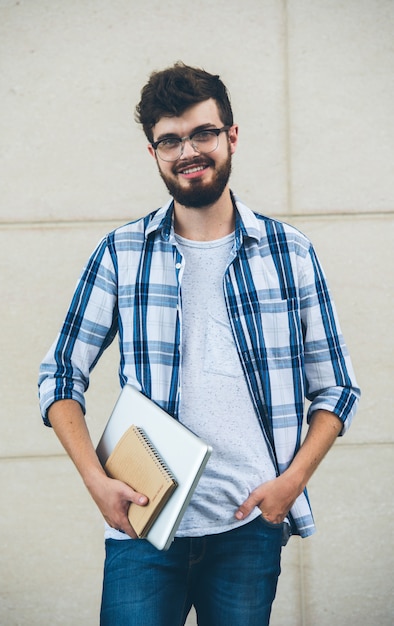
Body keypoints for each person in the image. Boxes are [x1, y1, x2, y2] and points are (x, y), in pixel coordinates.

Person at [38, 62, 360, 626]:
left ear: (231, 136)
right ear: (154, 152)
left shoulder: (290, 253)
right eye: (170, 140)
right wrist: (97, 481)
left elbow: (336, 388)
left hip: (248, 531)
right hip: (144, 527)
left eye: (203, 133)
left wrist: (291, 484)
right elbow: (61, 373)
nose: (188, 150)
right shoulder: (122, 252)